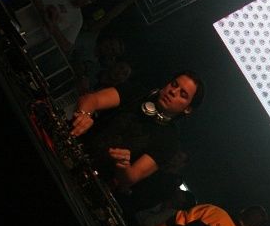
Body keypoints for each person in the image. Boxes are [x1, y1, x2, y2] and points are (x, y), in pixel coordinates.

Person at [71, 71, 204, 191]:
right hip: (72, 144)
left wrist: (124, 165)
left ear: (188, 109)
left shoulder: (170, 141)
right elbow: (92, 99)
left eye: (183, 94)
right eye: (174, 84)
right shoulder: (137, 92)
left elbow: (130, 178)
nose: (173, 92)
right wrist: (84, 114)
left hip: (91, 182)